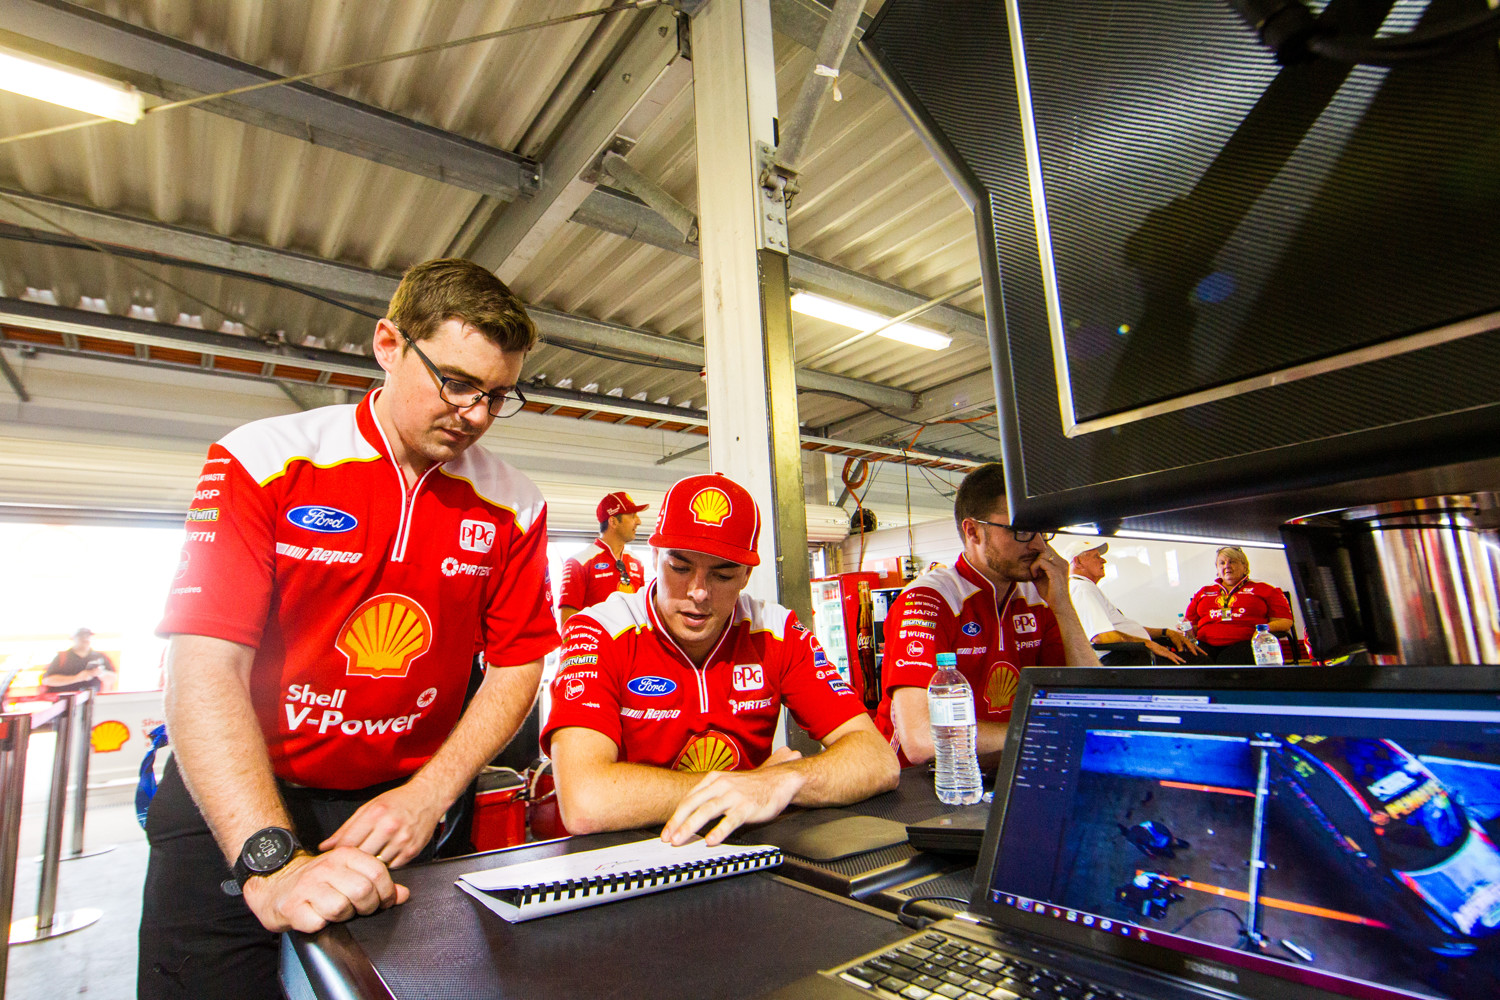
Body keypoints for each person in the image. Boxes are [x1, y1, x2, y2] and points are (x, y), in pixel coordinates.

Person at [141, 259, 561, 1000]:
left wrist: (430, 796)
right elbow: (204, 666)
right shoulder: (261, 459)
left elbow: (517, 665)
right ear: (388, 345)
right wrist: (270, 861)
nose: (475, 414)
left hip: (402, 810)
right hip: (237, 798)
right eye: (456, 382)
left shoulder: (515, 504)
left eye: (498, 396)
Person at [542, 473, 899, 846]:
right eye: (680, 568)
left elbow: (878, 759)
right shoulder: (598, 631)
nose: (698, 592)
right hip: (629, 862)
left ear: (746, 575)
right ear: (655, 557)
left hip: (748, 857)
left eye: (722, 575)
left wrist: (786, 780)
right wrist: (745, 784)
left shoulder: (776, 631)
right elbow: (584, 800)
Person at [874, 463, 1101, 766]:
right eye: (1021, 530)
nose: (1038, 545)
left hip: (1003, 768)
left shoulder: (1039, 596)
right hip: (922, 780)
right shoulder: (928, 599)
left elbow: (1092, 703)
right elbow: (921, 740)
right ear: (973, 531)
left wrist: (1063, 606)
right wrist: (1035, 732)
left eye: (1041, 531)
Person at [1061, 539, 1202, 665]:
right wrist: (1148, 644)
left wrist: (1165, 632)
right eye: (1096, 556)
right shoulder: (1082, 589)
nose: (1103, 561)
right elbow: (1101, 637)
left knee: (1196, 656)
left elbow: (1122, 629)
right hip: (1124, 658)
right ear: (1078, 562)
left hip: (1133, 652)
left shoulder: (1085, 587)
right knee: (1199, 661)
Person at [1184, 545, 1294, 664]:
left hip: (1246, 643)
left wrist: (1264, 630)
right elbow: (1191, 625)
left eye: (1232, 562)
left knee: (1228, 661)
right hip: (1206, 644)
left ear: (1245, 566)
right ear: (1217, 569)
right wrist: (1185, 630)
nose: (1227, 566)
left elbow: (1285, 622)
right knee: (1190, 661)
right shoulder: (1203, 592)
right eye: (1222, 563)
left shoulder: (1265, 589)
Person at [557, 491, 649, 626]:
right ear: (613, 522)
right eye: (632, 516)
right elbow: (568, 623)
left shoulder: (637, 562)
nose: (639, 521)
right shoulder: (579, 562)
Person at [40, 627, 116, 694]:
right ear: (73, 638)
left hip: (92, 701)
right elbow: (47, 680)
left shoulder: (100, 657)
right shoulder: (62, 657)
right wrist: (76, 678)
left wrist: (100, 673)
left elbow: (113, 678)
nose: (85, 639)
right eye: (81, 636)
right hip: (65, 702)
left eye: (88, 636)